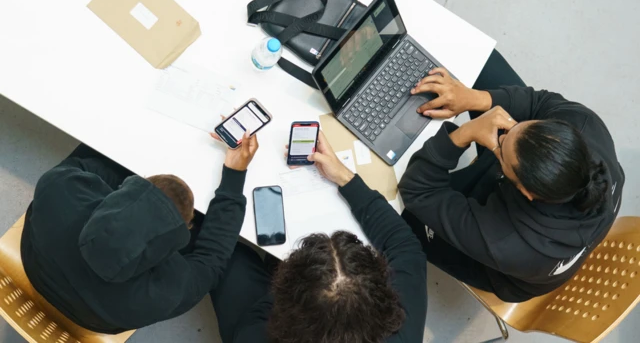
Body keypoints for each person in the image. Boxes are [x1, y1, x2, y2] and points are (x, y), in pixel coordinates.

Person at [398, 50, 625, 302]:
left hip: (496, 263)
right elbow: (539, 103)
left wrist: (466, 133)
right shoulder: (585, 126)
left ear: (525, 190)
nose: (502, 129)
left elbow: (417, 190)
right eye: (518, 126)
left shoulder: (508, 241)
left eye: (502, 146)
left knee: (397, 210)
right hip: (529, 215)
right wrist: (473, 98)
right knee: (483, 59)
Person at [21, 131, 259, 333]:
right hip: (93, 319)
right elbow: (213, 258)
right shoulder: (167, 291)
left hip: (37, 267)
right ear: (185, 227)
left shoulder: (58, 190)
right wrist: (234, 176)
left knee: (94, 152)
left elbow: (84, 165)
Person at [210, 132, 427, 343]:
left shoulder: (254, 336)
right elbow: (405, 246)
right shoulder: (403, 327)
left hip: (269, 314)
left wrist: (281, 290)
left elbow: (256, 318)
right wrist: (344, 176)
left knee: (225, 256)